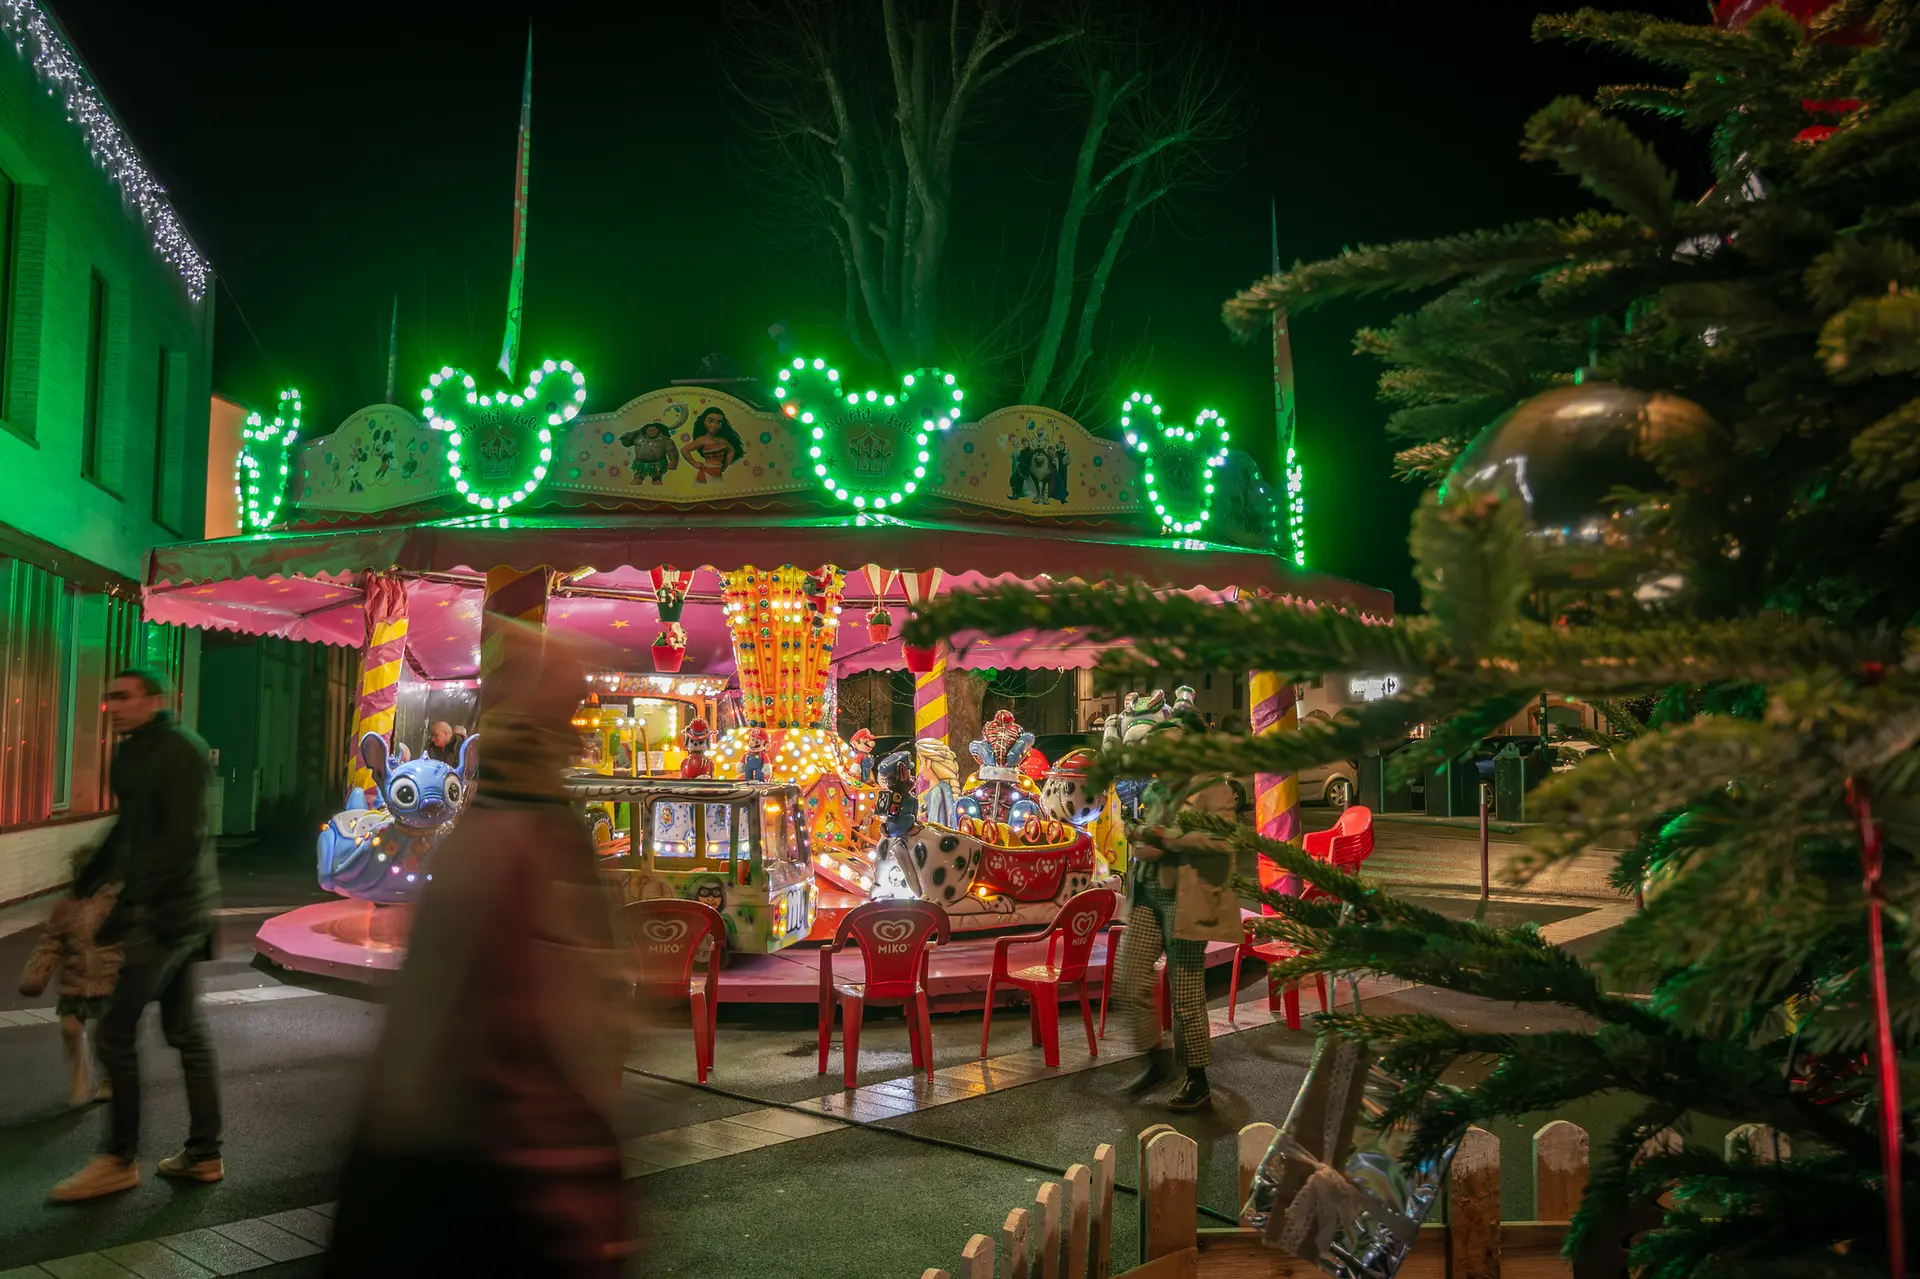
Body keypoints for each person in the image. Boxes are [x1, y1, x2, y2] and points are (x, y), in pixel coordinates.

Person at [325, 625, 636, 1277]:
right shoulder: (530, 831)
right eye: (564, 708)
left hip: (438, 1125)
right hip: (486, 1138)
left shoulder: (498, 823)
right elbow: (550, 998)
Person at [50, 669, 222, 1202]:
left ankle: (118, 1159)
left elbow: (181, 841)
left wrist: (129, 906)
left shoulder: (180, 750)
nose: (114, 707)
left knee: (114, 1032)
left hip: (171, 913)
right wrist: (84, 886)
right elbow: (128, 830)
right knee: (184, 1030)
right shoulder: (132, 754)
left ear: (153, 699)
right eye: (110, 699)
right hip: (173, 910)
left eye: (124, 697)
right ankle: (204, 1154)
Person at [1111, 712, 1236, 1112]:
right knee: (1129, 978)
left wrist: (1165, 838)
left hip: (1186, 898)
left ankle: (1197, 1079)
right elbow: (1151, 836)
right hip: (1147, 895)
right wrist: (1138, 838)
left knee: (1185, 994)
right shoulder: (1156, 790)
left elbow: (1220, 841)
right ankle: (1155, 1061)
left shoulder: (1212, 788)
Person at [19, 855, 123, 1108]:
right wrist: (36, 975)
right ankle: (81, 1073)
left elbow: (130, 938)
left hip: (108, 979)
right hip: (73, 980)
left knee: (108, 1035)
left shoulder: (116, 903)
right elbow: (50, 942)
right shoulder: (65, 907)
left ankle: (111, 1078)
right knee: (70, 1027)